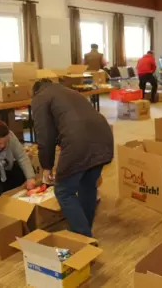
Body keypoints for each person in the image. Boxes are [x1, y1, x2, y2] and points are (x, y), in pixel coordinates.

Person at [31, 79, 114, 238]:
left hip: (79, 142)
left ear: (35, 91)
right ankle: (85, 230)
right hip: (104, 137)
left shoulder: (40, 98)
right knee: (88, 186)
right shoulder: (70, 91)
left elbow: (45, 135)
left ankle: (82, 234)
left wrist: (46, 166)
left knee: (63, 190)